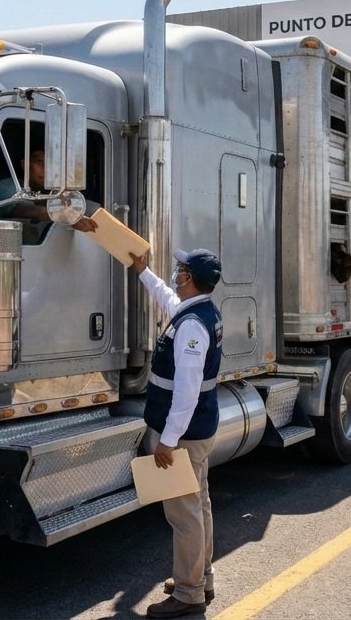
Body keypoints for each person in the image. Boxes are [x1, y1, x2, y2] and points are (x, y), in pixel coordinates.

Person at [130, 247, 223, 618]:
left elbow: (186, 389)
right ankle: (202, 576)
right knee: (198, 503)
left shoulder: (192, 326)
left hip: (186, 432)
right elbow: (169, 301)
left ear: (190, 278)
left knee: (184, 513)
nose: (176, 273)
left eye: (181, 269)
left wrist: (168, 440)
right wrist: (144, 272)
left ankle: (188, 594)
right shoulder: (197, 312)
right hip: (200, 426)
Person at [0, 147, 97, 235]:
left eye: (51, 164)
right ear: (24, 164)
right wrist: (68, 217)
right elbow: (29, 210)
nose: (46, 169)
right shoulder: (7, 186)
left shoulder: (52, 193)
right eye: (39, 162)